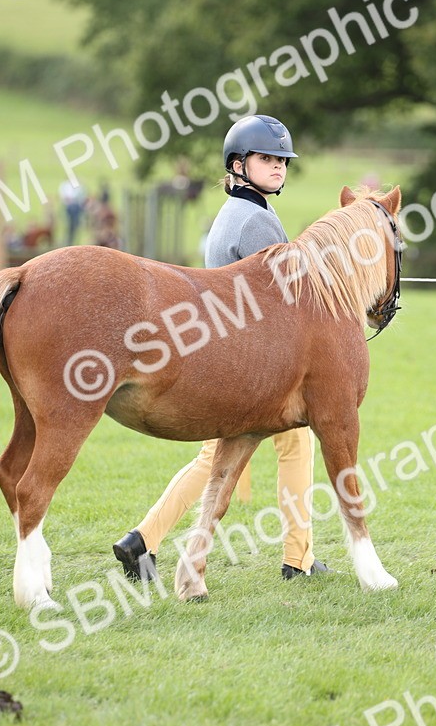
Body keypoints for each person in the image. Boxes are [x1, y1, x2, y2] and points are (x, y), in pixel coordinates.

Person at [112, 114, 331, 583]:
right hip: (256, 367)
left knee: (216, 459)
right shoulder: (255, 222)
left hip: (233, 358)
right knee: (294, 443)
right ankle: (299, 559)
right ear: (238, 164)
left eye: (282, 161)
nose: (278, 168)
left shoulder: (240, 212)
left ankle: (143, 540)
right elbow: (288, 299)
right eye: (267, 159)